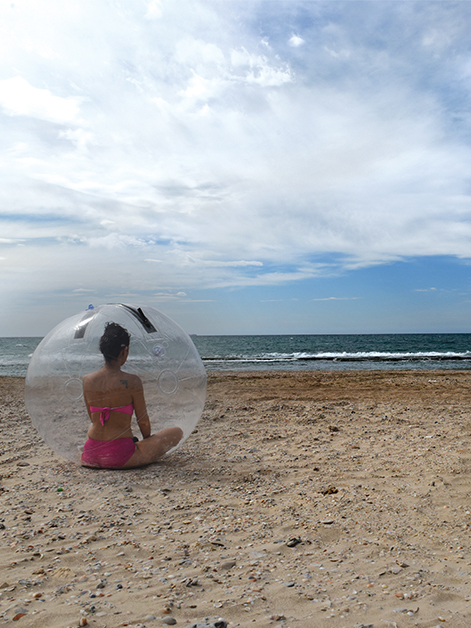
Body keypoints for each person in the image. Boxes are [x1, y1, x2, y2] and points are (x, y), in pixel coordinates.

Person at [81, 322, 183, 469]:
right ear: (124, 351)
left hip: (90, 454)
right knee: (176, 432)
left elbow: (93, 418)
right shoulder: (132, 381)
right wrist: (148, 443)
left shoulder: (87, 380)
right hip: (120, 456)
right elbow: (143, 422)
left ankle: (101, 451)